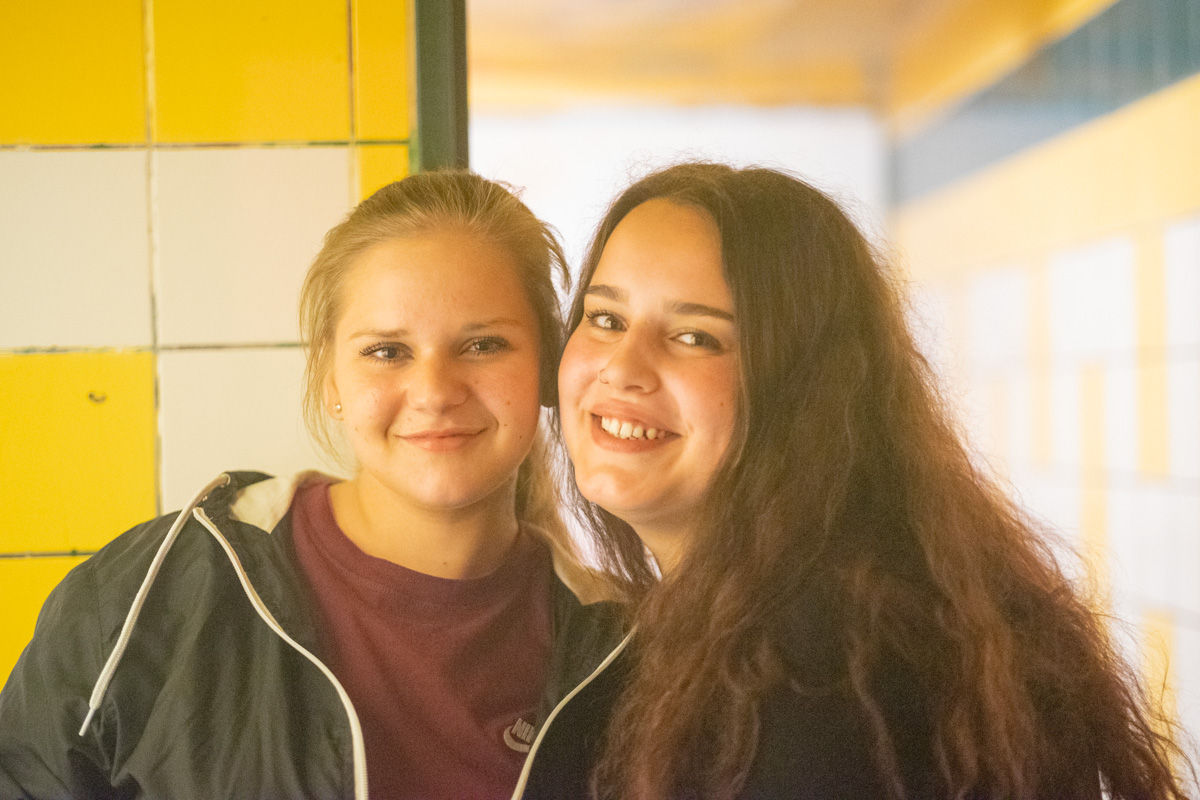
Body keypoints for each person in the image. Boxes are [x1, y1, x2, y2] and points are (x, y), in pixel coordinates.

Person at [515, 162, 1193, 799]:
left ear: (807, 389)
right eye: (605, 319)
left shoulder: (819, 670)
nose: (622, 367)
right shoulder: (822, 604)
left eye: (696, 337)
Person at [0, 171, 621, 800]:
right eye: (387, 351)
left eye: (484, 345)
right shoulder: (147, 599)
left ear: (549, 365)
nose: (435, 391)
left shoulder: (620, 651)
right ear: (330, 379)